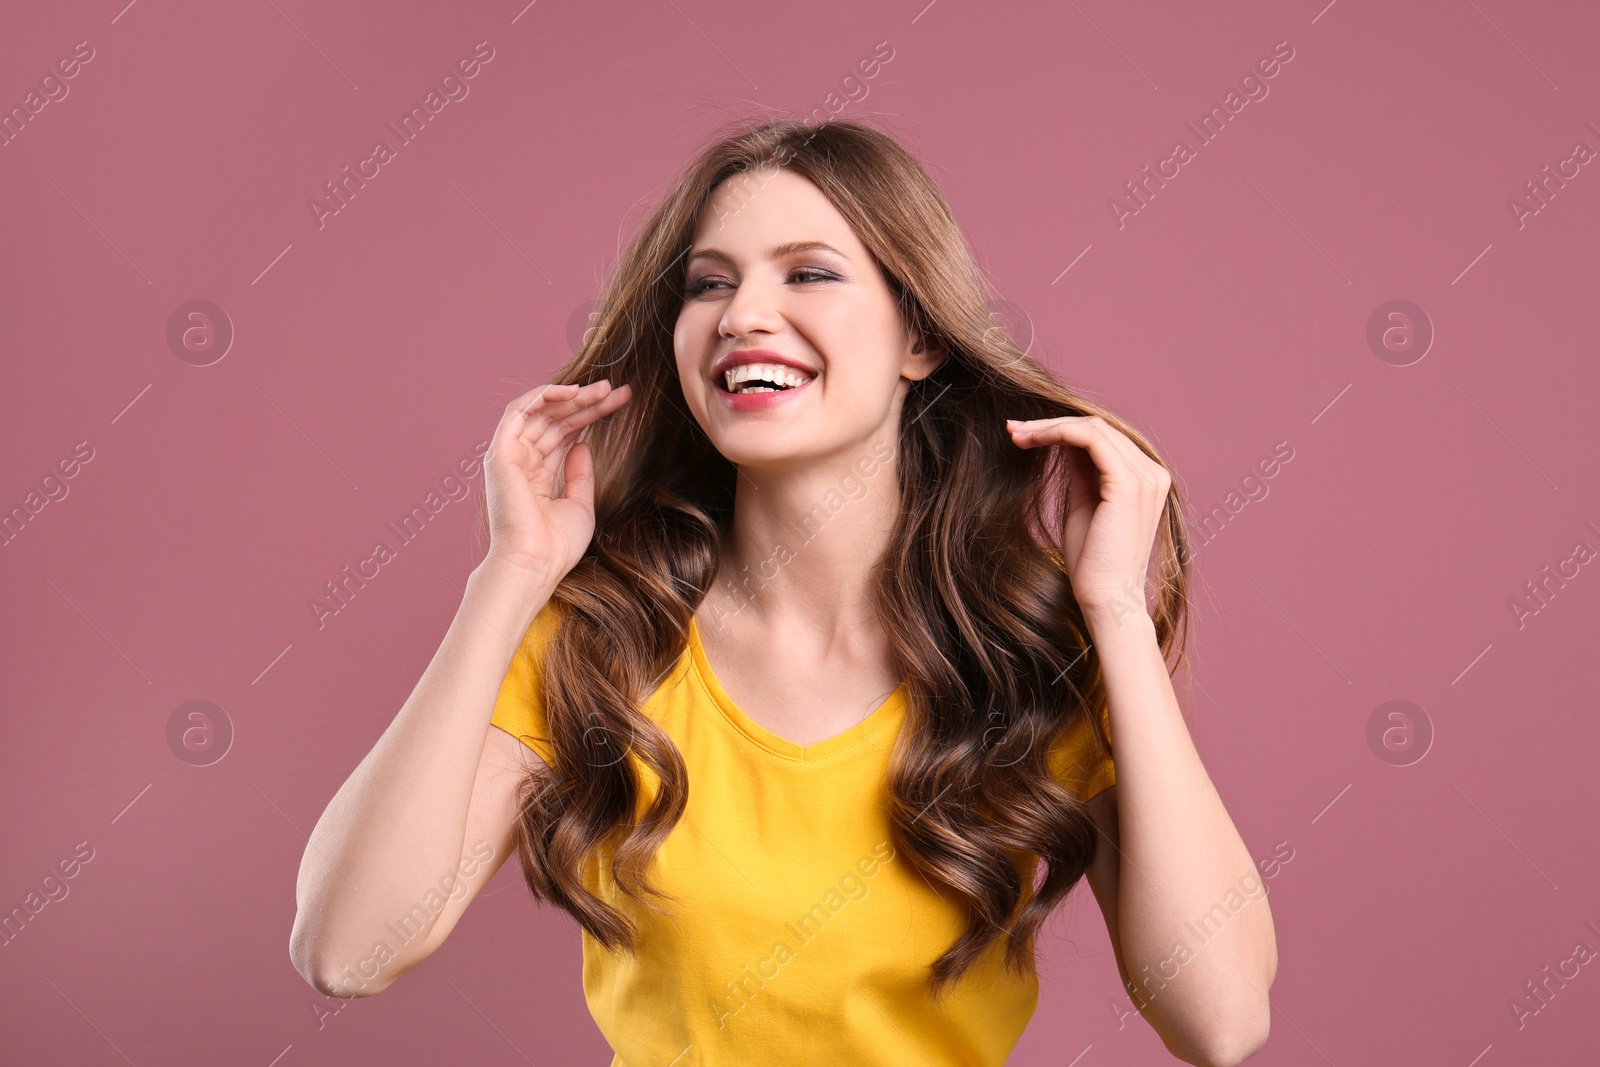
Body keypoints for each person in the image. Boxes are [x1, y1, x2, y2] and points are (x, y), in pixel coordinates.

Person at [290, 117, 1277, 1066]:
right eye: (707, 284)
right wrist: (507, 577)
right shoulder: (598, 639)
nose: (742, 315)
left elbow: (1221, 1019)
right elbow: (346, 948)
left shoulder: (1027, 654)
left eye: (808, 272)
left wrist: (1111, 614)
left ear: (918, 339)